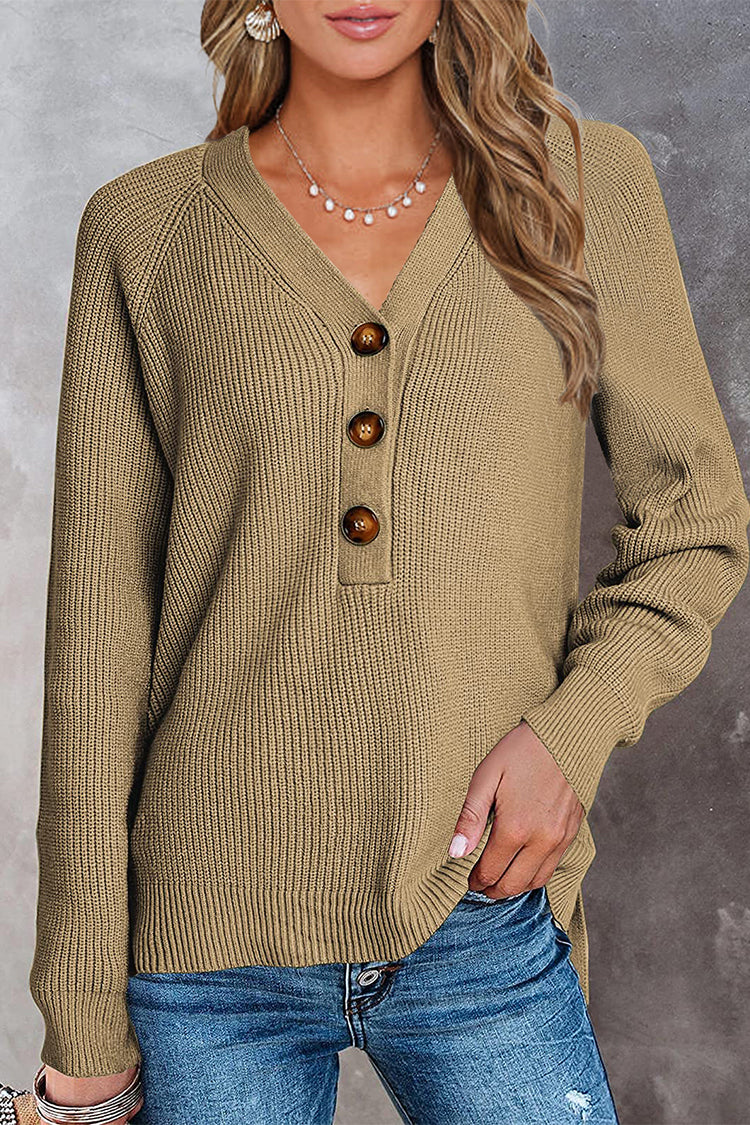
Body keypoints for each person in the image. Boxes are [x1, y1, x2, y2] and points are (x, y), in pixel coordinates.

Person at [29, 0, 750, 1122]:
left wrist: (569, 735)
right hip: (205, 944)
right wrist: (80, 1019)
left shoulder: (576, 185)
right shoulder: (146, 230)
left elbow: (694, 521)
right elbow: (96, 640)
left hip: (480, 911)